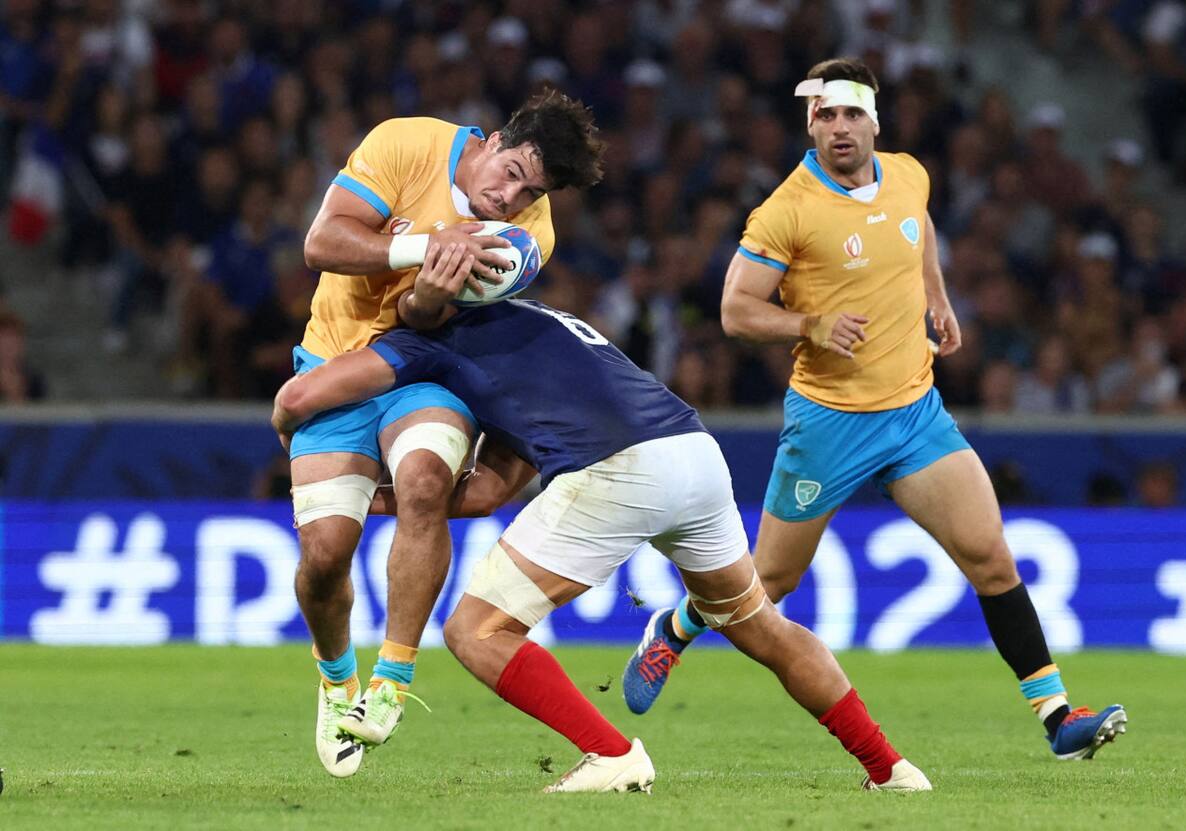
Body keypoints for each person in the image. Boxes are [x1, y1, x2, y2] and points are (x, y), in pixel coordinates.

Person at [621, 58, 1127, 762]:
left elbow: (915, 231)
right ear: (811, 126)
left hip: (915, 414)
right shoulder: (788, 209)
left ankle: (1058, 718)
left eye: (850, 114)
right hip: (828, 422)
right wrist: (810, 324)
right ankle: (674, 626)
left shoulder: (909, 173)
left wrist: (939, 299)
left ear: (874, 121)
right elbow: (736, 310)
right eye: (824, 116)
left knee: (991, 558)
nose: (838, 128)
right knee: (768, 583)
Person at [272, 263, 932, 793]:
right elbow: (486, 492)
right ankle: (892, 768)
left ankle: (610, 753)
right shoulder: (542, 323)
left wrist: (312, 452)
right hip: (695, 453)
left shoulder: (422, 342)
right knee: (761, 625)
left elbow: (302, 397)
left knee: (475, 632)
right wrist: (387, 505)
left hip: (621, 469)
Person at [289, 90, 603, 777]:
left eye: (532, 191)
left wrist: (431, 283)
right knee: (323, 554)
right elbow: (322, 242)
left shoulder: (529, 236)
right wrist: (425, 243)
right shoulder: (407, 142)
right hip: (337, 357)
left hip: (420, 368)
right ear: (490, 139)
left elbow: (423, 318)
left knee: (426, 480)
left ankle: (391, 679)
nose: (511, 197)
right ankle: (336, 675)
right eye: (512, 170)